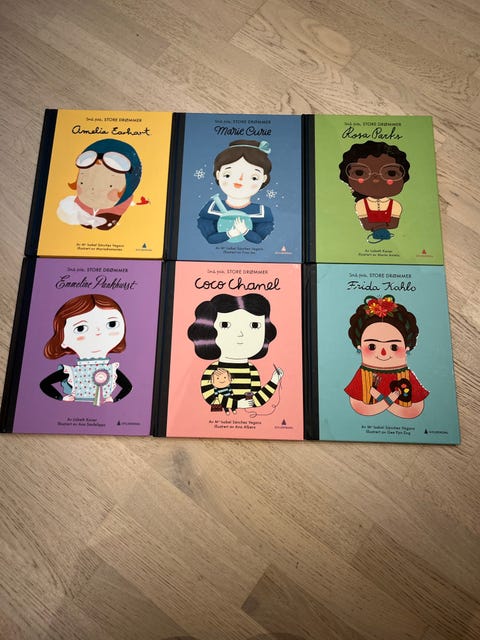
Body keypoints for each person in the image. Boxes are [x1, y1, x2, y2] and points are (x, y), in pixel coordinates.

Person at [187, 293, 283, 412]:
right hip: (216, 416)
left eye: (255, 325)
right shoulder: (213, 369)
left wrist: (274, 380)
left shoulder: (251, 370)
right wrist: (237, 404)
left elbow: (255, 400)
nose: (240, 334)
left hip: (249, 417)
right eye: (225, 325)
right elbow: (211, 398)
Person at [344, 295, 428, 417]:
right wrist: (388, 401)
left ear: (407, 347)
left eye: (393, 347)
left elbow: (415, 410)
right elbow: (359, 406)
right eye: (372, 346)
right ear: (359, 346)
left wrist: (382, 399)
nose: (383, 353)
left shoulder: (407, 376)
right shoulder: (362, 375)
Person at [40, 293, 132, 404]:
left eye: (112, 324)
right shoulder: (71, 372)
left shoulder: (112, 370)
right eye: (80, 328)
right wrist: (61, 398)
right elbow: (44, 384)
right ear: (63, 340)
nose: (98, 333)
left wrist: (114, 400)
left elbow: (128, 387)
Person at [197, 139, 274, 244]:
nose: (240, 180)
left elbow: (258, 240)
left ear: (264, 179)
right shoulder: (211, 208)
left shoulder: (263, 212)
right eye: (228, 175)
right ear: (218, 174)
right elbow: (211, 239)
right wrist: (230, 234)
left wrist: (245, 231)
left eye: (254, 177)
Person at [57, 138, 144, 230]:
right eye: (83, 182)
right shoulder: (75, 204)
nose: (93, 190)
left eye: (110, 185)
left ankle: (108, 217)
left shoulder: (123, 203)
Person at [339, 141, 410, 241]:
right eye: (360, 172)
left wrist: (376, 226)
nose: (375, 179)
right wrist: (382, 226)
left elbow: (394, 224)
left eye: (391, 173)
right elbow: (366, 225)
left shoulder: (395, 205)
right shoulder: (361, 205)